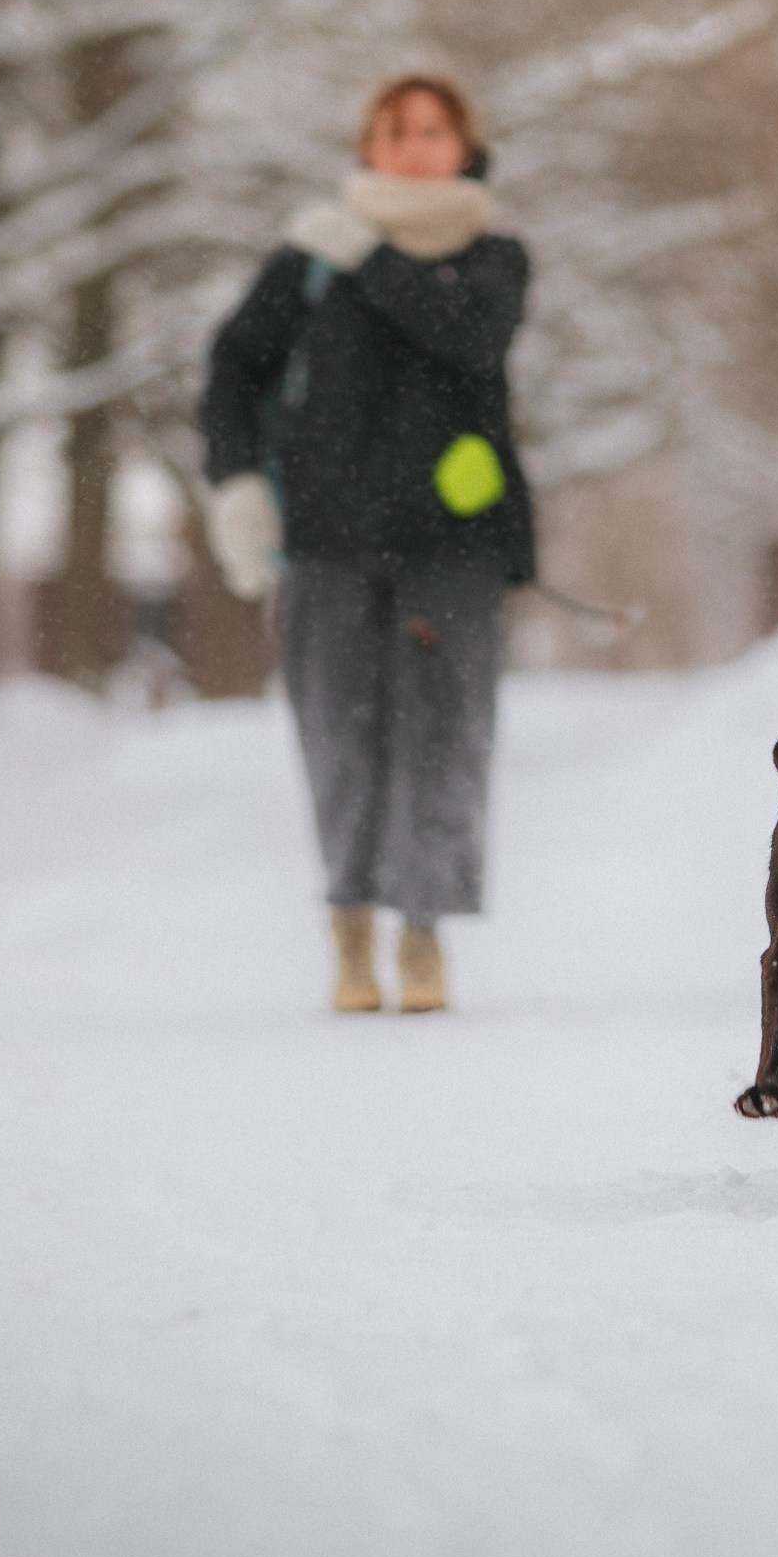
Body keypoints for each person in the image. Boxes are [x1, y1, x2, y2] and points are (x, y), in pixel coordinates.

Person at [197, 74, 534, 1014]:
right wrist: (235, 484)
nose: (414, 145)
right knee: (339, 737)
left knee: (445, 737)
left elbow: (468, 339)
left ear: (465, 145)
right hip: (327, 543)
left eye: (433, 130)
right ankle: (350, 926)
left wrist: (368, 257)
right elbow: (231, 367)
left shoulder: (493, 255)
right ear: (367, 147)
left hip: (453, 546)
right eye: (395, 131)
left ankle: (421, 934)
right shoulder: (306, 261)